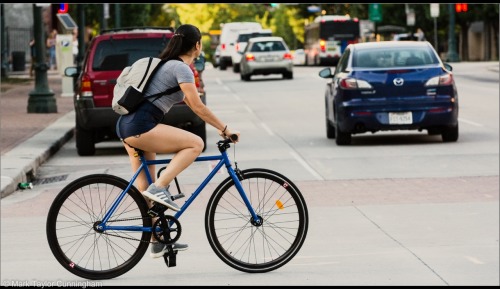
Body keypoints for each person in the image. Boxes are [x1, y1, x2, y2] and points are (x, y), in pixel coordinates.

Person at [115, 24, 240, 259]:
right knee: (195, 144)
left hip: (126, 126)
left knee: (145, 188)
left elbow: (187, 101)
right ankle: (161, 187)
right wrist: (224, 129)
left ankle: (157, 241)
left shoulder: (168, 65)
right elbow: (196, 107)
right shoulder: (181, 68)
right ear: (197, 45)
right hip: (141, 127)